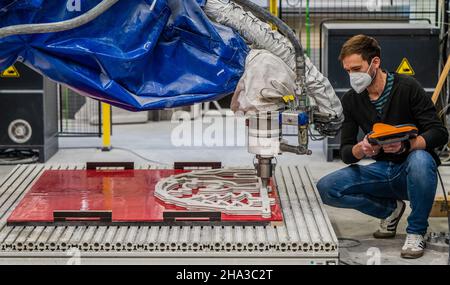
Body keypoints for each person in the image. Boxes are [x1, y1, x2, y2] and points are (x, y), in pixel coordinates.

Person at [316, 34, 449, 259]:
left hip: (412, 173)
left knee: (420, 159)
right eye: (348, 71)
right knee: (326, 188)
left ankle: (416, 231)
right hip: (381, 171)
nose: (352, 76)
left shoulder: (407, 87)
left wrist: (407, 145)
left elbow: (439, 133)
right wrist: (362, 149)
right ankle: (389, 210)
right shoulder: (351, 99)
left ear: (375, 63)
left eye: (357, 69)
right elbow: (348, 151)